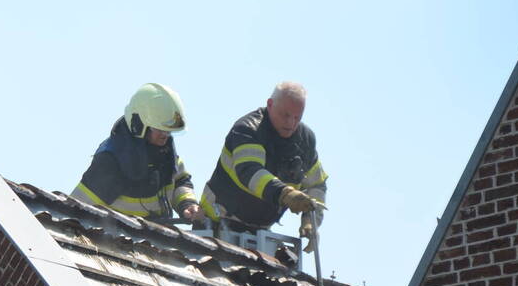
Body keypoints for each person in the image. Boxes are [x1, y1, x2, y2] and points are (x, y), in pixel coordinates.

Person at [199, 81, 327, 251]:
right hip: (216, 222)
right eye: (285, 115)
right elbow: (250, 171)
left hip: (259, 232)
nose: (291, 123)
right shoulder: (248, 129)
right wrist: (285, 194)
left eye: (297, 117)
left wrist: (311, 220)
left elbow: (317, 185)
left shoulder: (306, 141)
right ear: (270, 104)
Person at [72, 83, 202, 223]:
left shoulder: (167, 153)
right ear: (138, 125)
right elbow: (77, 211)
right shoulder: (112, 161)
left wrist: (187, 204)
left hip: (156, 234)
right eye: (159, 129)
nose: (165, 136)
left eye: (169, 131)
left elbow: (180, 181)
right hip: (115, 235)